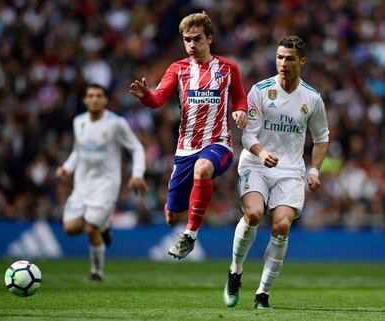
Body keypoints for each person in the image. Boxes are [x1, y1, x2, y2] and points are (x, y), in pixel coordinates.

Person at [129, 11, 247, 260]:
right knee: (171, 217)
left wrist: (240, 112)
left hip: (218, 145)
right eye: (187, 39)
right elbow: (158, 99)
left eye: (197, 39)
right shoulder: (178, 69)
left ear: (210, 38)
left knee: (203, 169)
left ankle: (190, 236)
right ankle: (195, 211)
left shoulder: (228, 69)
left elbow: (239, 98)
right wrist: (145, 96)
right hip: (185, 149)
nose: (192, 45)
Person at [223, 35, 329, 309]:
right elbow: (247, 136)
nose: (283, 63)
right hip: (257, 164)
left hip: (290, 170)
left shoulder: (312, 98)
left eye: (289, 58)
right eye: (280, 57)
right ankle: (235, 271)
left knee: (281, 226)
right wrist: (262, 153)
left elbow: (321, 138)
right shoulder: (260, 90)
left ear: (302, 61)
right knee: (254, 214)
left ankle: (262, 293)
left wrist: (315, 170)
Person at [56, 83, 148, 281]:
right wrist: (67, 167)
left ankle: (96, 272)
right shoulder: (78, 121)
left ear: (105, 100)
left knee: (91, 229)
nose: (95, 99)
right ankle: (104, 226)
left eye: (99, 95)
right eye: (91, 96)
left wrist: (137, 174)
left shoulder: (116, 123)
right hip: (82, 185)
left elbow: (136, 148)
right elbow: (77, 151)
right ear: (85, 100)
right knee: (70, 229)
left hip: (106, 185)